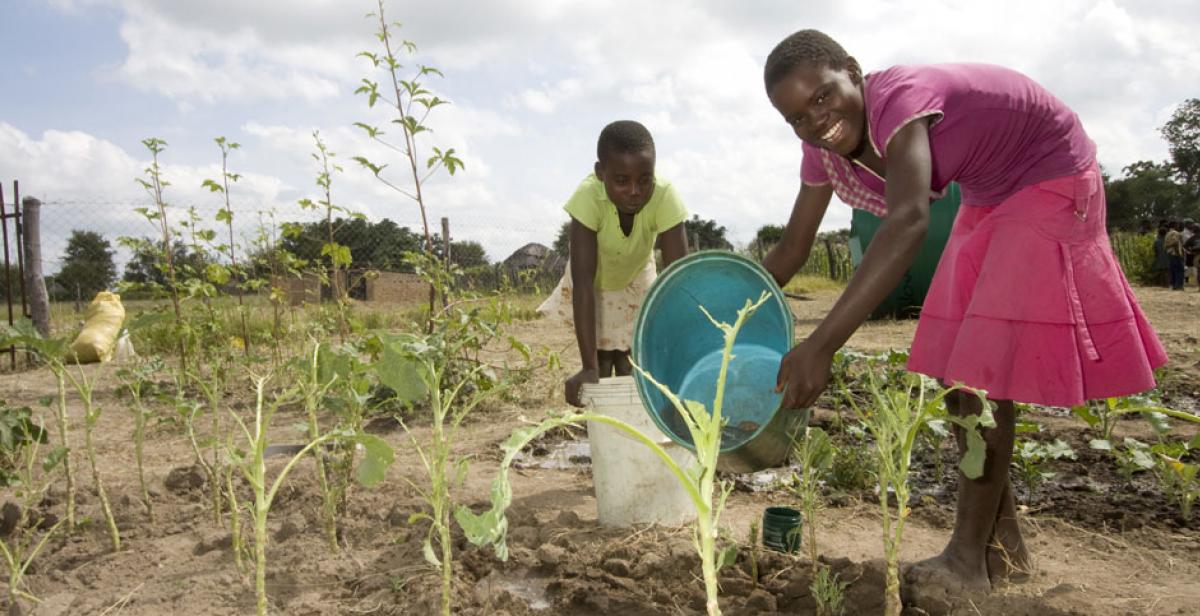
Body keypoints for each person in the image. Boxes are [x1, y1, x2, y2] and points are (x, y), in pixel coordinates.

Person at [759, 30, 1167, 592]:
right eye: (797, 118)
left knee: (978, 375)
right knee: (959, 375)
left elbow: (906, 223)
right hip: (990, 193)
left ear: (852, 72)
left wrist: (822, 345)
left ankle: (966, 561)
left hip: (1049, 172)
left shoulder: (899, 100)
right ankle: (1005, 548)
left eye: (822, 97)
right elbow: (792, 248)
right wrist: (733, 308)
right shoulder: (822, 148)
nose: (815, 122)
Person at [536, 120, 689, 407]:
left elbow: (679, 280)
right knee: (603, 364)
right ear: (600, 173)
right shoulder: (588, 197)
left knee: (634, 363)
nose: (635, 191)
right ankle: (606, 426)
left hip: (637, 273)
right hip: (594, 280)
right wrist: (588, 367)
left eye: (645, 180)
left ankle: (634, 429)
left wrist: (681, 354)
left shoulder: (665, 195)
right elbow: (583, 281)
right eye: (621, 181)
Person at [1165, 220, 1185, 290]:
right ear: (1174, 225)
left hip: (1170, 253)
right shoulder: (1175, 233)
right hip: (1175, 254)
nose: (1178, 226)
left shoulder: (1168, 233)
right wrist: (1179, 253)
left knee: (1173, 270)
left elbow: (1166, 245)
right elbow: (1176, 243)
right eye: (1177, 225)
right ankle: (1178, 285)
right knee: (1179, 270)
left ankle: (1174, 285)